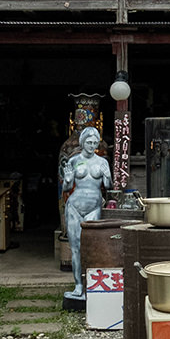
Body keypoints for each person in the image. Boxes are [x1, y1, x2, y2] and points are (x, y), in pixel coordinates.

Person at [61, 126, 112, 297]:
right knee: (75, 247)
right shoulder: (74, 161)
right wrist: (67, 181)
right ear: (82, 143)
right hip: (75, 205)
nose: (91, 145)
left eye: (94, 143)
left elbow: (109, 186)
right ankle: (78, 285)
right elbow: (66, 188)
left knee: (91, 246)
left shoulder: (102, 162)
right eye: (88, 142)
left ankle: (92, 284)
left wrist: (108, 176)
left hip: (94, 205)